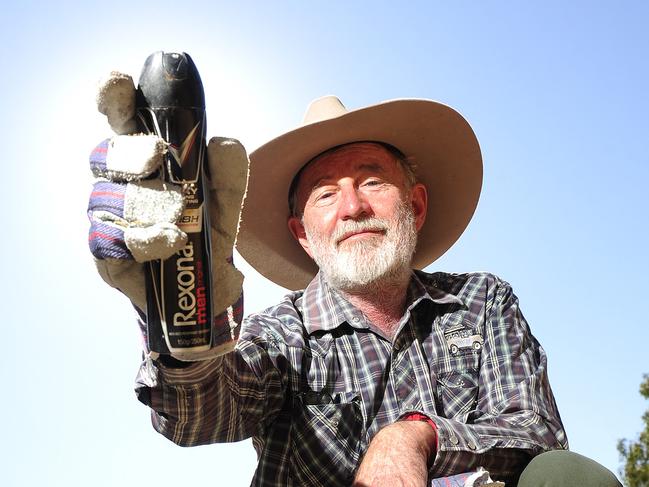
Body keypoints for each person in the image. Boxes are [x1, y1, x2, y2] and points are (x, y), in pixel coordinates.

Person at [87, 71, 621, 486]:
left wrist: (416, 436)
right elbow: (200, 415)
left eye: (372, 181)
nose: (352, 206)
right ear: (302, 233)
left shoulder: (481, 301)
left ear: (414, 204)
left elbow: (536, 431)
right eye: (325, 193)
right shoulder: (283, 335)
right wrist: (184, 324)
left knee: (568, 478)